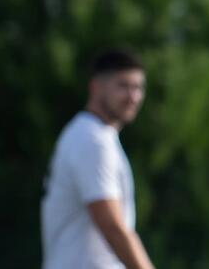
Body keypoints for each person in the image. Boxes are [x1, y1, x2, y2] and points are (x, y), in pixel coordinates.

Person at [41, 50, 155, 269]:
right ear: (95, 87)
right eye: (123, 86)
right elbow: (112, 227)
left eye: (138, 87)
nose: (133, 97)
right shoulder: (93, 140)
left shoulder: (89, 134)